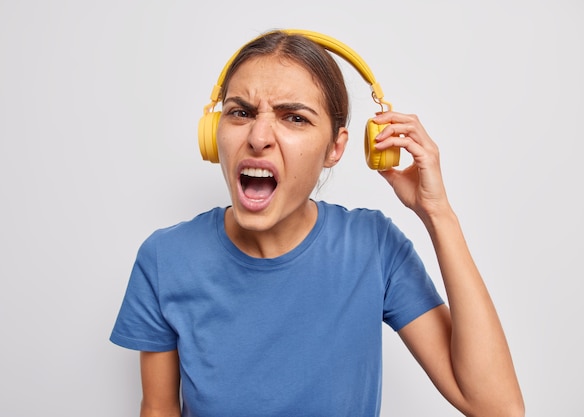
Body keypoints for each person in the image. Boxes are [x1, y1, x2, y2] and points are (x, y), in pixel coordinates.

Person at [110, 29, 524, 417]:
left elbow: (496, 407)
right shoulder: (165, 259)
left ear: (335, 147)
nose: (259, 137)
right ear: (213, 133)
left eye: (294, 118)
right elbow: (159, 409)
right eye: (241, 112)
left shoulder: (373, 247)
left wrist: (439, 214)